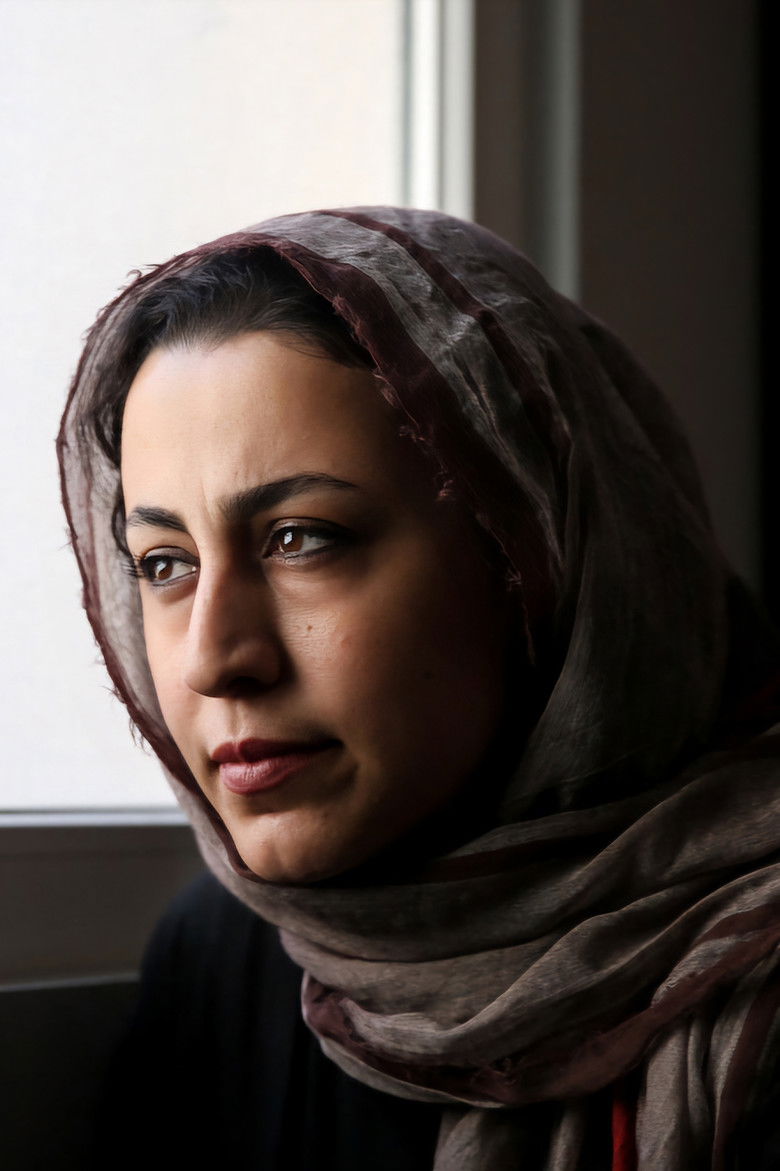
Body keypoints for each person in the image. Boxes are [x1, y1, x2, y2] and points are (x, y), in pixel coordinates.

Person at [58, 207, 780, 1169]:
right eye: (164, 563)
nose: (210, 659)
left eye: (301, 538)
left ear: (536, 559)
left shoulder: (756, 983)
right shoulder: (223, 955)